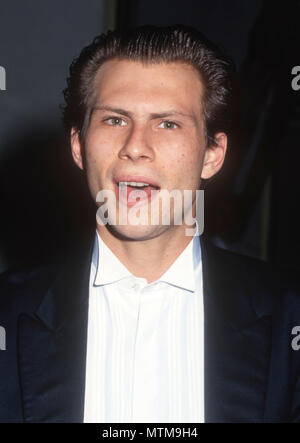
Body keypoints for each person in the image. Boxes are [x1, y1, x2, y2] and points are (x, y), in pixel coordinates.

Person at [1, 25, 300, 423]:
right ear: (78, 146)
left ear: (212, 155)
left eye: (168, 123)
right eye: (114, 120)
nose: (136, 146)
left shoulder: (289, 321)